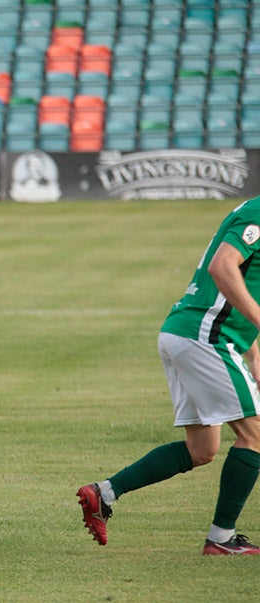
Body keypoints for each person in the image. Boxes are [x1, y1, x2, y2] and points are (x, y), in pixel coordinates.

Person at [77, 197, 260, 555]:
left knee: (201, 449)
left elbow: (245, 286)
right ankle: (221, 539)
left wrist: (253, 353)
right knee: (255, 436)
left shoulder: (251, 210)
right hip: (206, 338)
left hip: (186, 332)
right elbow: (223, 268)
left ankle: (103, 494)